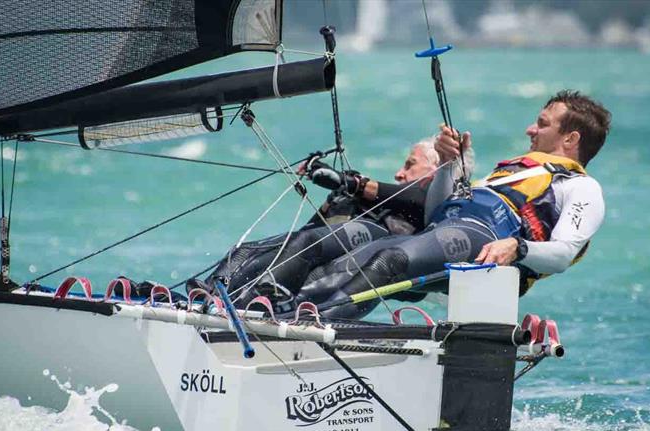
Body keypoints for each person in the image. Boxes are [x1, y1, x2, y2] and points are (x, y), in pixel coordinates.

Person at [292, 89, 612, 319]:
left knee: (389, 260)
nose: (531, 129)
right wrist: (448, 163)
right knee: (337, 259)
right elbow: (437, 214)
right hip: (446, 234)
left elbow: (563, 253)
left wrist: (518, 247)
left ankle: (313, 324)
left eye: (542, 124)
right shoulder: (508, 173)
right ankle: (284, 312)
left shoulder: (581, 187)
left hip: (485, 254)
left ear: (570, 139)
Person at [199, 138, 440, 310]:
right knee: (251, 250)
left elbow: (410, 196)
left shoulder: (433, 200)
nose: (399, 172)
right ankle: (203, 297)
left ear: (435, 171)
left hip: (368, 261)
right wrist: (335, 202)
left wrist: (348, 182)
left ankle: (243, 307)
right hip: (336, 254)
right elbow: (303, 239)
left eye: (410, 164)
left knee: (307, 252)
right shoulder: (381, 202)